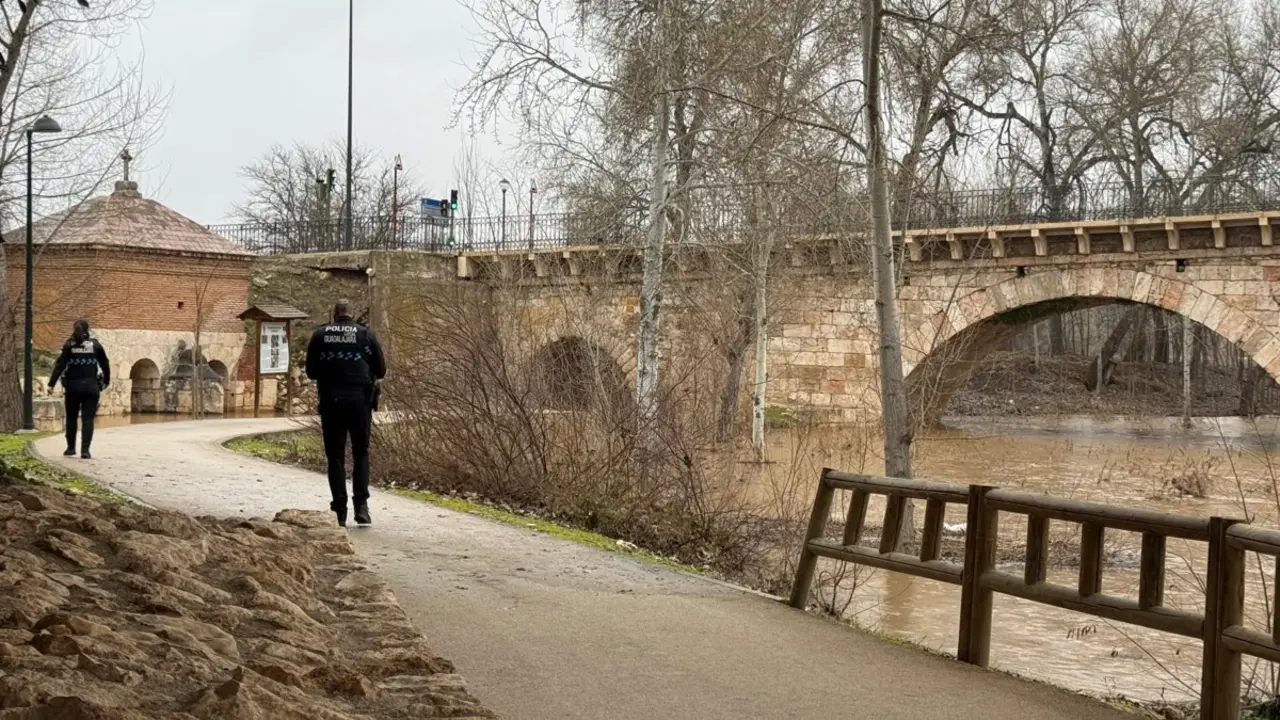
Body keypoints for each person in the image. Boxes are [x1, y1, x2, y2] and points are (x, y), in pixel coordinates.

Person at [305, 299, 386, 528]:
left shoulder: (320, 335)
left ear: (334, 314)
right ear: (352, 314)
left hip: (331, 401)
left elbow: (311, 371)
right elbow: (381, 369)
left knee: (336, 457)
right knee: (361, 453)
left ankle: (339, 510)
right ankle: (362, 507)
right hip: (360, 402)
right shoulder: (365, 335)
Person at [48, 319, 110, 460]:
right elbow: (105, 364)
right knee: (88, 419)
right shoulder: (95, 345)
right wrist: (106, 380)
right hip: (91, 387)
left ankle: (70, 448)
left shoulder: (69, 345)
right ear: (87, 330)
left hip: (73, 387)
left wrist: (51, 384)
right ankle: (85, 450)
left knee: (71, 418)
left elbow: (60, 366)